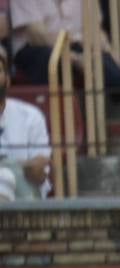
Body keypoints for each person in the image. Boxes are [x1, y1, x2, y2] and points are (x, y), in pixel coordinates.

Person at [8, 0, 120, 115]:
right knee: (49, 58)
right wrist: (74, 58)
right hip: (35, 49)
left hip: (75, 43)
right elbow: (37, 35)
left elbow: (96, 29)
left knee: (101, 59)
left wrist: (107, 48)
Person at [0, 46, 52, 201]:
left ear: (8, 80)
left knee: (5, 176)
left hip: (25, 194)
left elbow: (40, 176)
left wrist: (31, 168)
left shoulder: (31, 116)